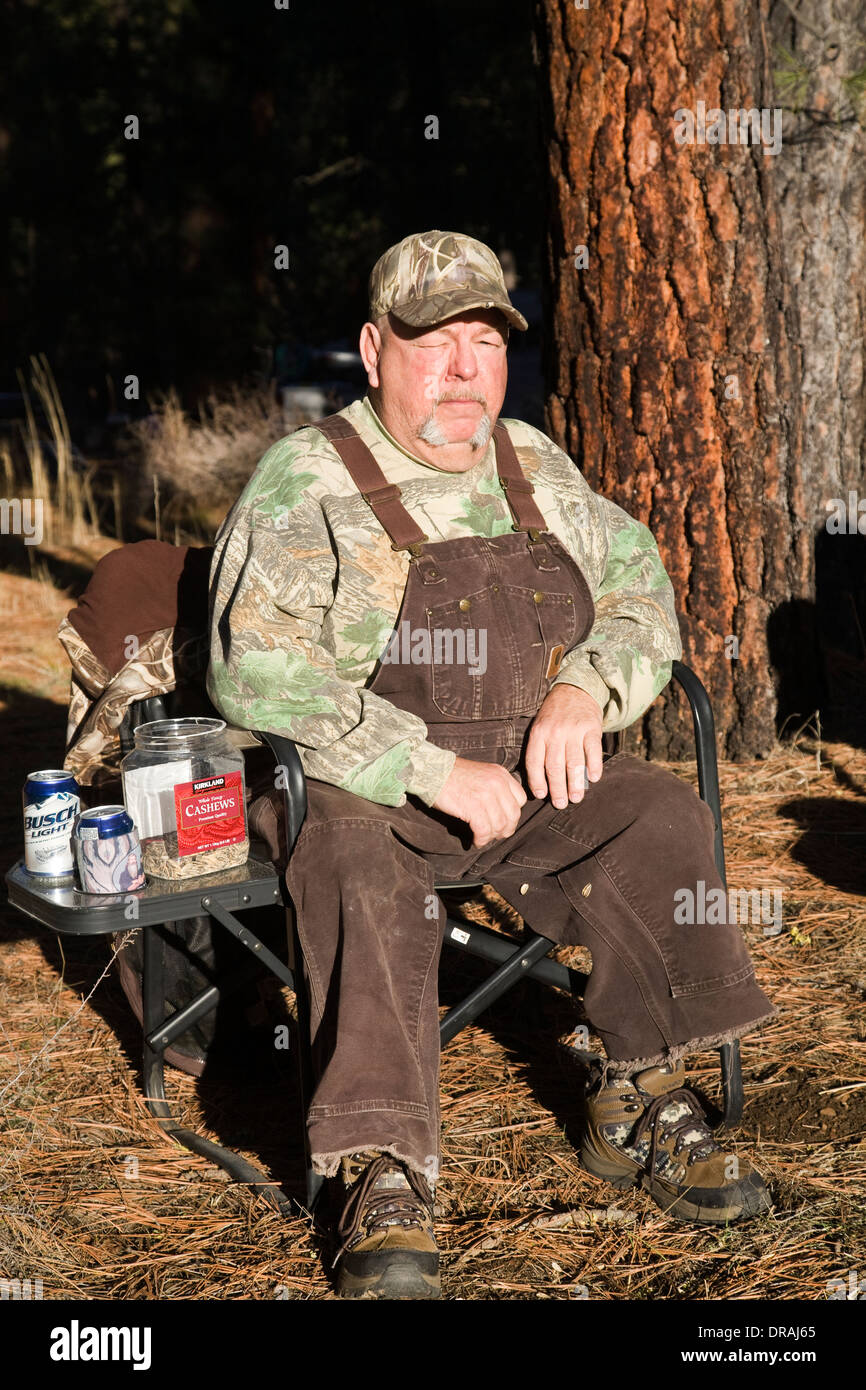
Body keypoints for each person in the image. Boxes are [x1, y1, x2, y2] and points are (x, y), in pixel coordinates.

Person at [207, 230, 777, 1300]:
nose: (463, 367)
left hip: (527, 780)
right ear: (375, 352)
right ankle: (379, 1170)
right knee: (351, 863)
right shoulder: (307, 479)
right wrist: (424, 766)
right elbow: (256, 671)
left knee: (654, 812)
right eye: (434, 342)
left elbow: (641, 586)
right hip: (358, 787)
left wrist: (585, 689)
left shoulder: (531, 461)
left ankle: (637, 1093)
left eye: (484, 339)